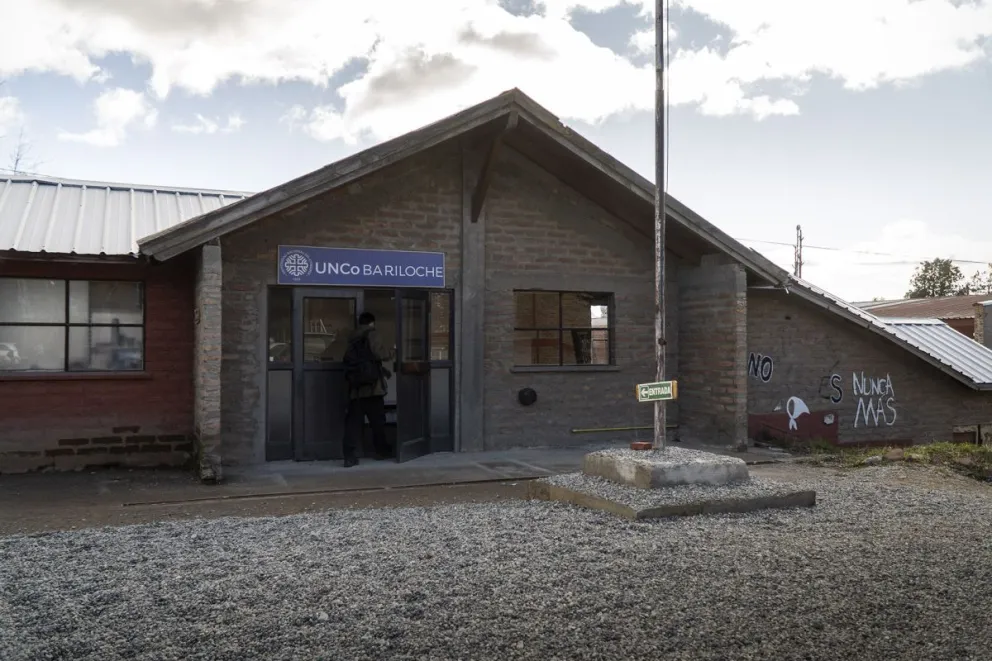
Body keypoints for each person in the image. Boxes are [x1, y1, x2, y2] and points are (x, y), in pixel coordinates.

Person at [342, 312, 395, 467]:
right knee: (377, 421)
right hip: (372, 388)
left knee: (352, 423)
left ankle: (349, 456)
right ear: (372, 323)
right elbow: (380, 354)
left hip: (356, 388)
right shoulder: (372, 334)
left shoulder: (352, 337)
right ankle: (381, 450)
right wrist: (392, 352)